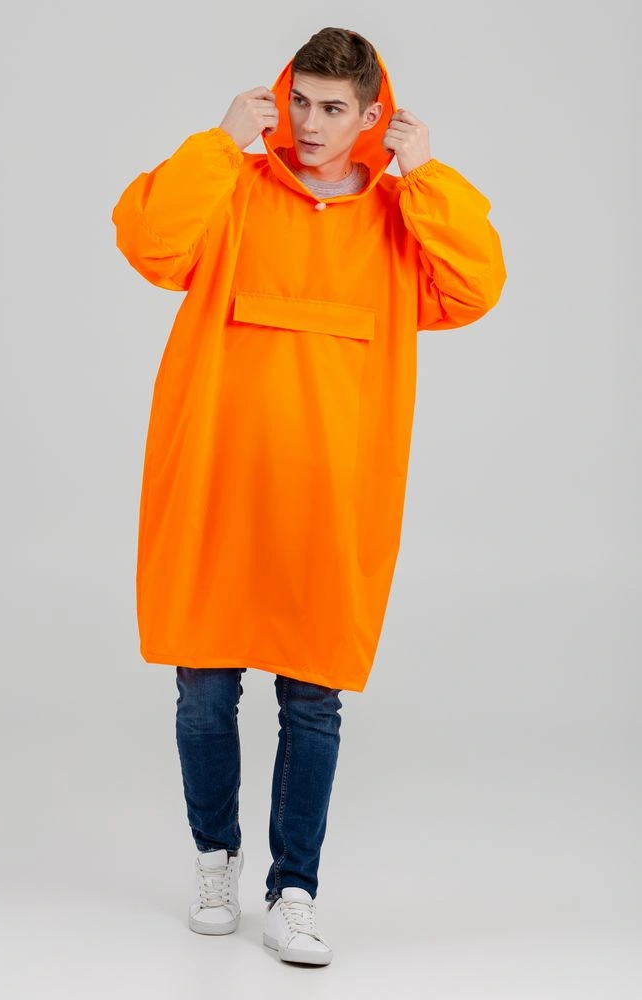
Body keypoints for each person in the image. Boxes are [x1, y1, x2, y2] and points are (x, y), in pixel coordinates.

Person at [111, 26, 506, 966]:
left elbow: (475, 286)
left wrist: (429, 175)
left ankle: (295, 890)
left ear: (374, 117)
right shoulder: (236, 191)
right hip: (217, 474)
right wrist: (217, 143)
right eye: (300, 102)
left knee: (314, 695)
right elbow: (150, 246)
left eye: (335, 108)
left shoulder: (400, 218)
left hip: (333, 489)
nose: (313, 122)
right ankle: (215, 859)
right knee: (204, 687)